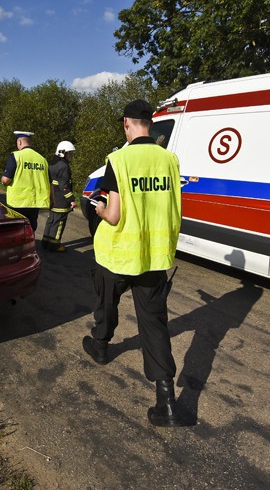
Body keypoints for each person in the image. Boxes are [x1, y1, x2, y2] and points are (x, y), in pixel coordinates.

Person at [82, 99, 186, 427]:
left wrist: (97, 210)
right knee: (154, 322)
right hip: (154, 256)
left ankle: (100, 347)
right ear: (150, 124)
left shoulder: (119, 159)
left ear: (127, 123)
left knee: (106, 302)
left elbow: (112, 214)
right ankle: (166, 400)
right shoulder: (169, 159)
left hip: (118, 253)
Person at [1, 131, 51, 232]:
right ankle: (29, 246)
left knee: (16, 229)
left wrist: (2, 180)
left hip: (17, 202)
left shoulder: (16, 156)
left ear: (19, 142)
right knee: (31, 227)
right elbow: (49, 182)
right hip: (35, 202)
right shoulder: (42, 159)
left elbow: (6, 180)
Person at [42, 141, 77, 252]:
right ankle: (54, 245)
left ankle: (45, 242)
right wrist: (71, 200)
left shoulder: (53, 164)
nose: (71, 156)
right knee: (59, 222)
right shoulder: (64, 166)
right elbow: (64, 186)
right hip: (61, 200)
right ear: (62, 153)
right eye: (69, 154)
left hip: (53, 198)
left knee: (51, 220)